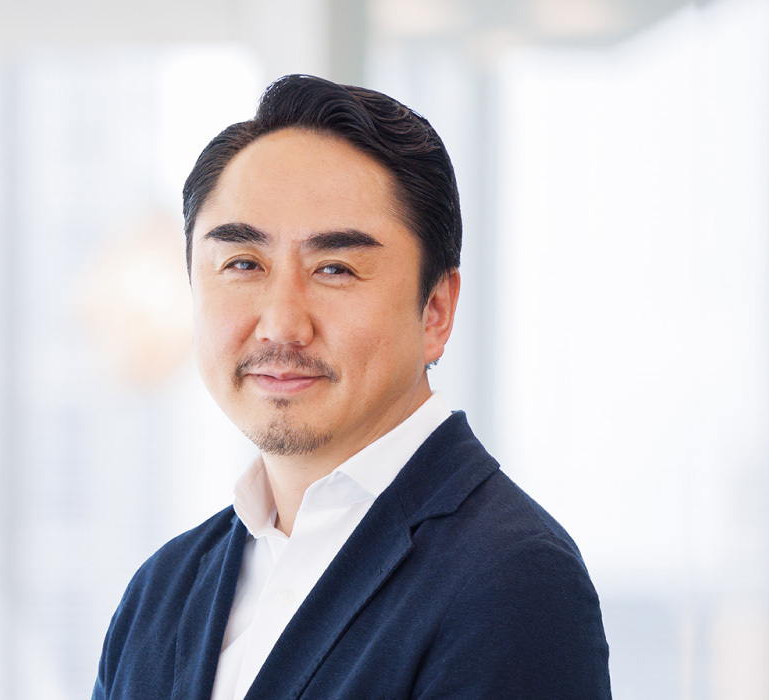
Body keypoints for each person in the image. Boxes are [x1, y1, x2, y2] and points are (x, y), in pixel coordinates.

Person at [91, 75, 610, 699]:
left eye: (334, 268)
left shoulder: (512, 581)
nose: (282, 323)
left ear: (436, 310)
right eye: (243, 265)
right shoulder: (161, 593)